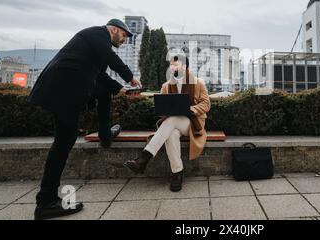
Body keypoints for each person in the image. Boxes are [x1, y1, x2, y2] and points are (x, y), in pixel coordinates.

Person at [28, 19, 142, 220]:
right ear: (114, 30)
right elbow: (111, 58)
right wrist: (130, 77)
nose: (124, 40)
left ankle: (105, 134)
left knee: (103, 93)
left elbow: (100, 76)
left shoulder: (95, 45)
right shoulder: (97, 35)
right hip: (62, 91)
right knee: (64, 142)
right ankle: (46, 202)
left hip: (64, 90)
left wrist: (122, 90)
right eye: (124, 36)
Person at [123, 54, 211, 192]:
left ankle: (143, 159)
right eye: (171, 64)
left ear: (184, 66)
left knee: (172, 120)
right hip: (172, 124)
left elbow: (206, 104)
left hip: (192, 124)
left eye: (176, 64)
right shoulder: (166, 86)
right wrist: (165, 112)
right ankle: (177, 172)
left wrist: (189, 109)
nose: (172, 67)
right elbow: (161, 108)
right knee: (171, 134)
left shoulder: (198, 82)